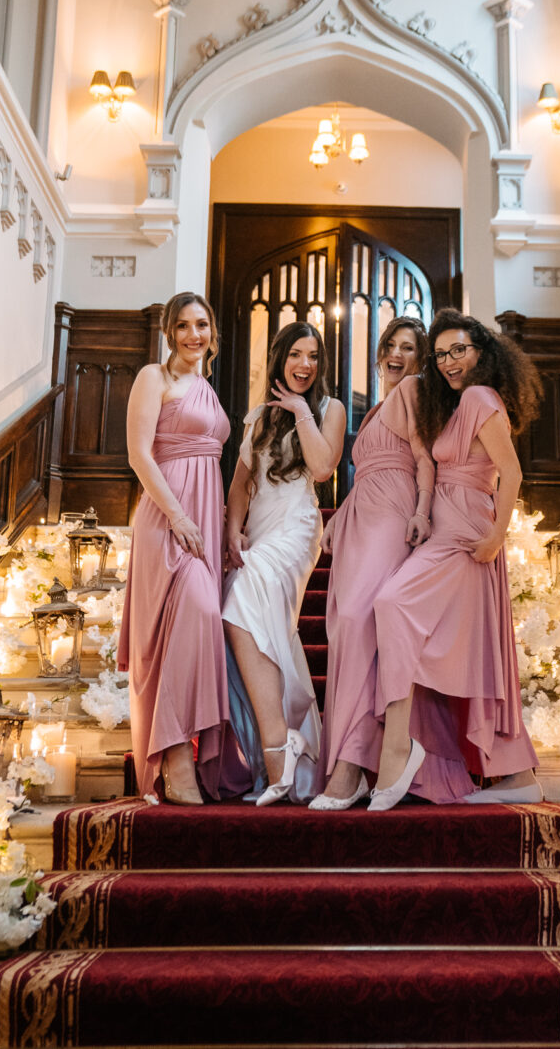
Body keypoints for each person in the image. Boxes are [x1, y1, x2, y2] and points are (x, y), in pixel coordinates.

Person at [369, 307, 544, 812]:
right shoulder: (459, 402)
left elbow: (510, 473)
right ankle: (516, 773)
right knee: (471, 646)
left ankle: (399, 749)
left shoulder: (479, 396)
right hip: (449, 525)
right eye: (441, 354)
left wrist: (494, 537)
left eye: (458, 350)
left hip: (466, 529)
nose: (448, 361)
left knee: (392, 604)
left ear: (482, 352)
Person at [118, 292, 247, 805]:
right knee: (186, 614)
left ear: (212, 332)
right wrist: (178, 516)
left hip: (205, 521)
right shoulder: (155, 378)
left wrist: (224, 525)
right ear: (170, 331)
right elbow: (138, 454)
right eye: (185, 325)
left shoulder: (207, 389)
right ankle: (174, 757)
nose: (195, 334)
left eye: (203, 325)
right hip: (167, 518)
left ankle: (190, 752)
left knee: (195, 628)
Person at [311, 317, 438, 811]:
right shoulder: (377, 407)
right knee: (343, 626)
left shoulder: (410, 392)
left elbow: (424, 459)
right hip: (360, 515)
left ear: (419, 359)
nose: (397, 353)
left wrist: (422, 511)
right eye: (391, 345)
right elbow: (362, 471)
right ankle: (354, 764)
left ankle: (351, 765)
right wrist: (338, 516)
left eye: (409, 347)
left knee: (360, 623)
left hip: (391, 513)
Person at [223, 322, 346, 805]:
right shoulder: (257, 417)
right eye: (296, 354)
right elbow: (239, 484)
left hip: (297, 527)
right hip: (261, 524)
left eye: (313, 356)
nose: (305, 365)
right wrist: (233, 529)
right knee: (256, 618)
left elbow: (322, 467)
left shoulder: (328, 409)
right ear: (280, 359)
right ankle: (283, 750)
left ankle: (278, 742)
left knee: (243, 593)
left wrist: (300, 413)